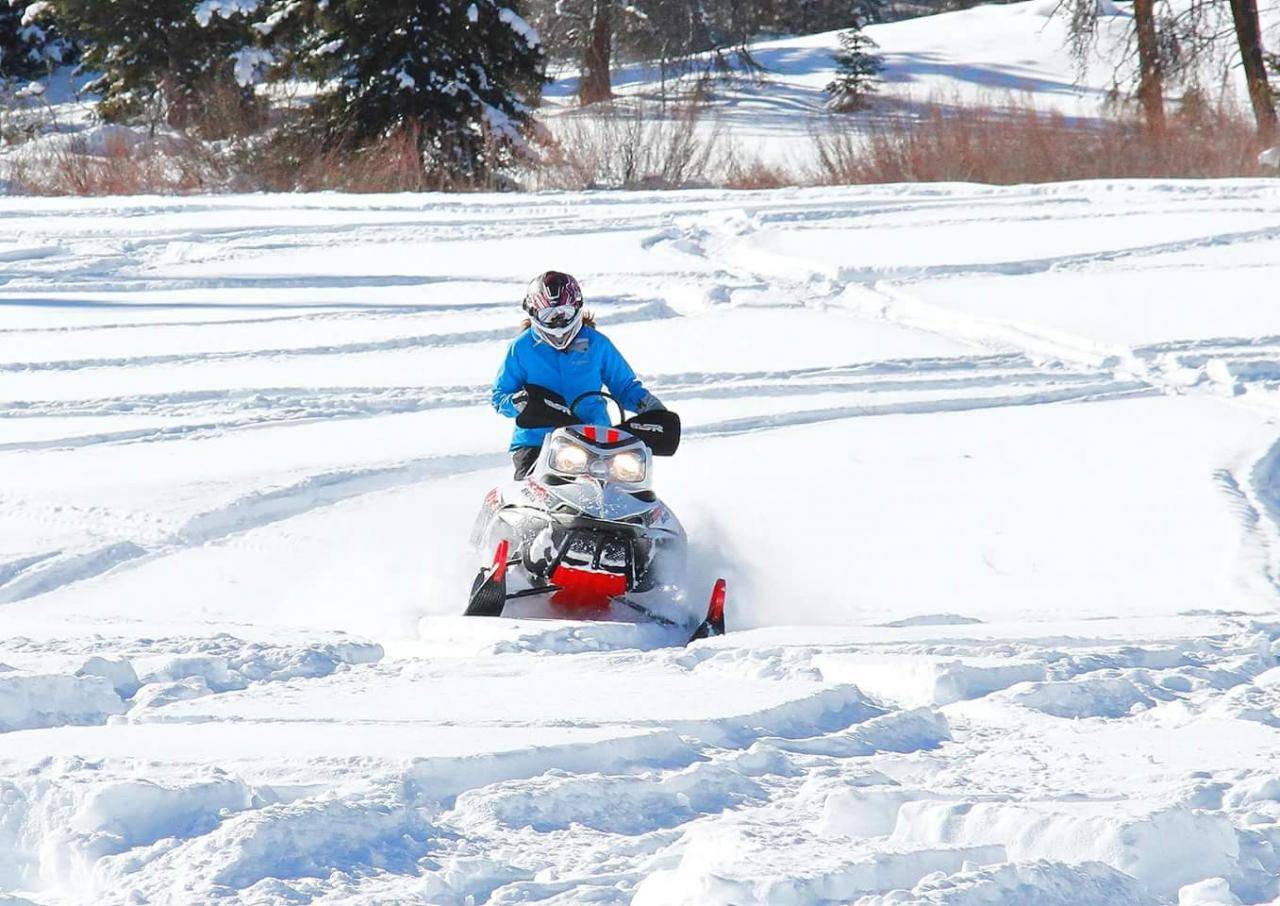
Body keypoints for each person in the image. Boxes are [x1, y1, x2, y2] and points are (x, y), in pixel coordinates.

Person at [492, 271, 664, 479]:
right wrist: (518, 402)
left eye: (563, 312)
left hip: (595, 436)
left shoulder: (597, 344)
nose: (557, 321)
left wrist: (648, 405)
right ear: (534, 313)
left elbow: (624, 386)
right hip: (539, 440)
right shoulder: (521, 348)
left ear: (577, 308)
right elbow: (499, 395)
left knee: (628, 481)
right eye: (549, 315)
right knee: (531, 484)